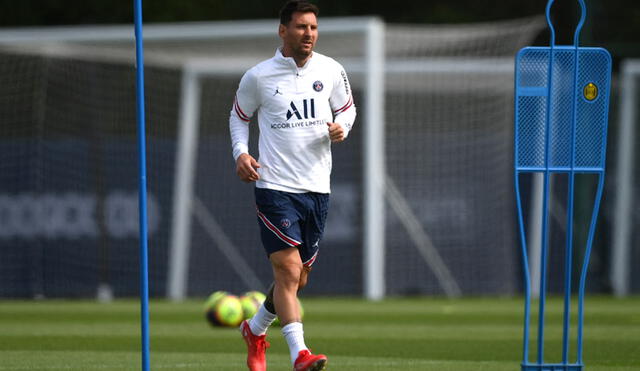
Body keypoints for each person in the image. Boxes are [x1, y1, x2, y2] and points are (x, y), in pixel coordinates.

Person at [229, 1, 356, 370]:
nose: (309, 34)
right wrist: (241, 153)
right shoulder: (259, 76)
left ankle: (254, 330)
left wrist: (342, 127)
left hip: (317, 189)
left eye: (313, 27)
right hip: (274, 186)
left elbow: (346, 109)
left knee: (298, 279)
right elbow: (239, 117)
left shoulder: (331, 69)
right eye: (301, 27)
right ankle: (300, 354)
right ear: (283, 30)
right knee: (286, 272)